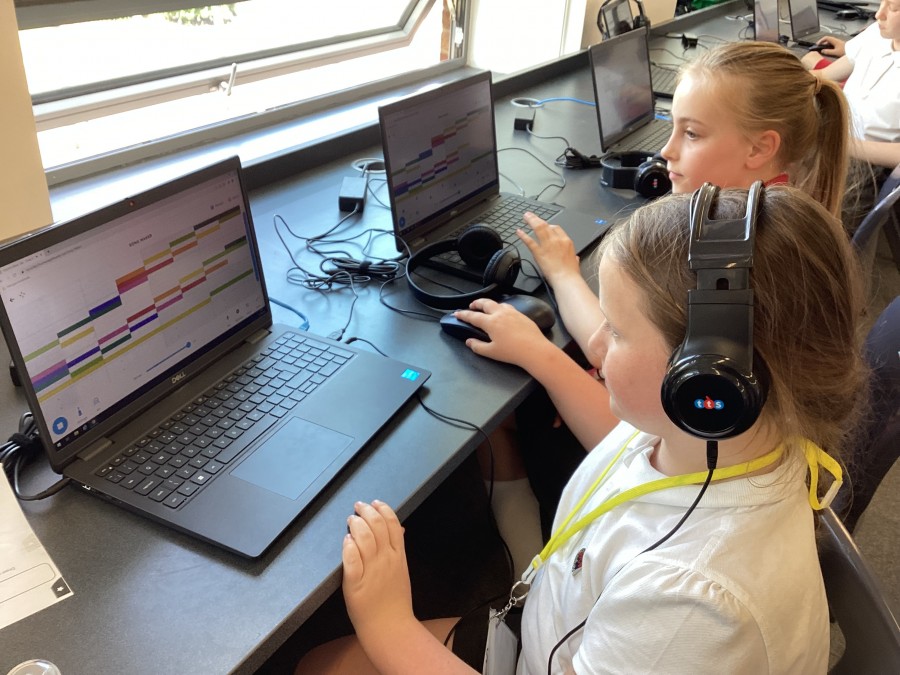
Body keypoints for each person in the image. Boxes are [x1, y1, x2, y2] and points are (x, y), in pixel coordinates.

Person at [295, 184, 868, 673]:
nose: (593, 343)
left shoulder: (692, 604)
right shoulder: (709, 434)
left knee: (317, 664)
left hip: (551, 649)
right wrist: (543, 348)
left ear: (703, 381)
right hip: (552, 623)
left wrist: (389, 624)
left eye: (616, 330)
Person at [471, 39, 853, 557]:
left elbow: (647, 431)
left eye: (691, 133)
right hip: (694, 443)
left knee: (507, 408)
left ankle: (528, 564)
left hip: (678, 472)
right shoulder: (768, 229)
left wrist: (543, 354)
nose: (666, 151)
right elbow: (621, 341)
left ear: (760, 149)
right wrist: (566, 279)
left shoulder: (746, 272)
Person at [804, 1, 900, 171]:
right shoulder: (877, 35)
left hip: (869, 164)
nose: (879, 14)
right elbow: (824, 75)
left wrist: (842, 143)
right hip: (837, 137)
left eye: (892, 8)